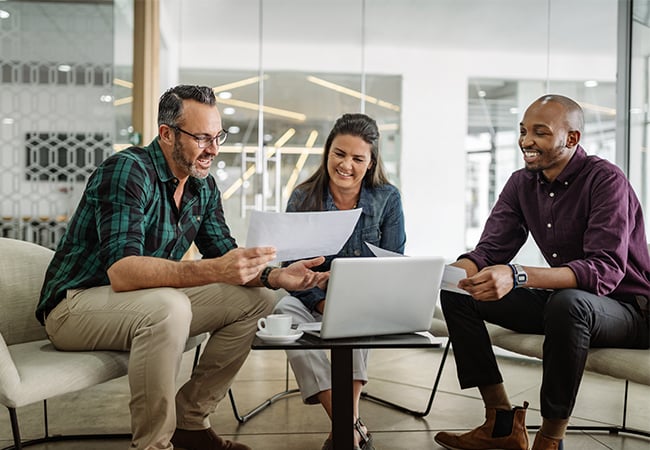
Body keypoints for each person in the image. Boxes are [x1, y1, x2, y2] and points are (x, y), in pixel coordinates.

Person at [36, 85, 328, 450]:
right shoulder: (128, 171)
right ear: (166, 134)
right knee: (169, 307)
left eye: (217, 136)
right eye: (202, 138)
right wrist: (215, 270)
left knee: (259, 301)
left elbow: (223, 253)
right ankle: (154, 445)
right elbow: (122, 272)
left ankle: (190, 421)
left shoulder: (201, 187)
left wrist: (274, 276)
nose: (214, 149)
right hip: (74, 308)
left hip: (145, 304)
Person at [434, 94, 650, 450]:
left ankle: (550, 440)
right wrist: (446, 274)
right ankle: (500, 424)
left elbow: (604, 271)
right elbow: (489, 251)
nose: (526, 142)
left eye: (540, 133)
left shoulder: (605, 180)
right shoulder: (522, 183)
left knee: (568, 304)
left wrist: (517, 274)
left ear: (572, 139)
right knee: (459, 292)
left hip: (629, 311)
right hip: (568, 305)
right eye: (523, 132)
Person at [273, 113, 406, 450]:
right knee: (282, 316)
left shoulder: (387, 198)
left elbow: (394, 262)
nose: (346, 164)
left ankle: (345, 432)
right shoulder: (303, 198)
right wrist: (320, 301)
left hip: (363, 299)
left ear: (371, 161)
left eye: (357, 158)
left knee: (355, 315)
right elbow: (291, 267)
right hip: (310, 297)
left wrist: (347, 298)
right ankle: (349, 425)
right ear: (327, 153)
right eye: (339, 154)